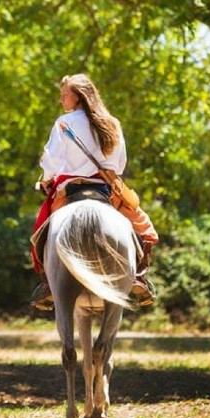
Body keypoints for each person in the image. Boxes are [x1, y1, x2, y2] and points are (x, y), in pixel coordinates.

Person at [30, 73, 159, 311]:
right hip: (105, 189)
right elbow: (118, 166)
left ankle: (48, 283)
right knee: (144, 229)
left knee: (42, 232)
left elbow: (51, 160)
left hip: (69, 190)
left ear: (78, 97)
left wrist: (47, 180)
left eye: (65, 95)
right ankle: (138, 277)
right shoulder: (112, 123)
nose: (61, 100)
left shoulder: (63, 123)